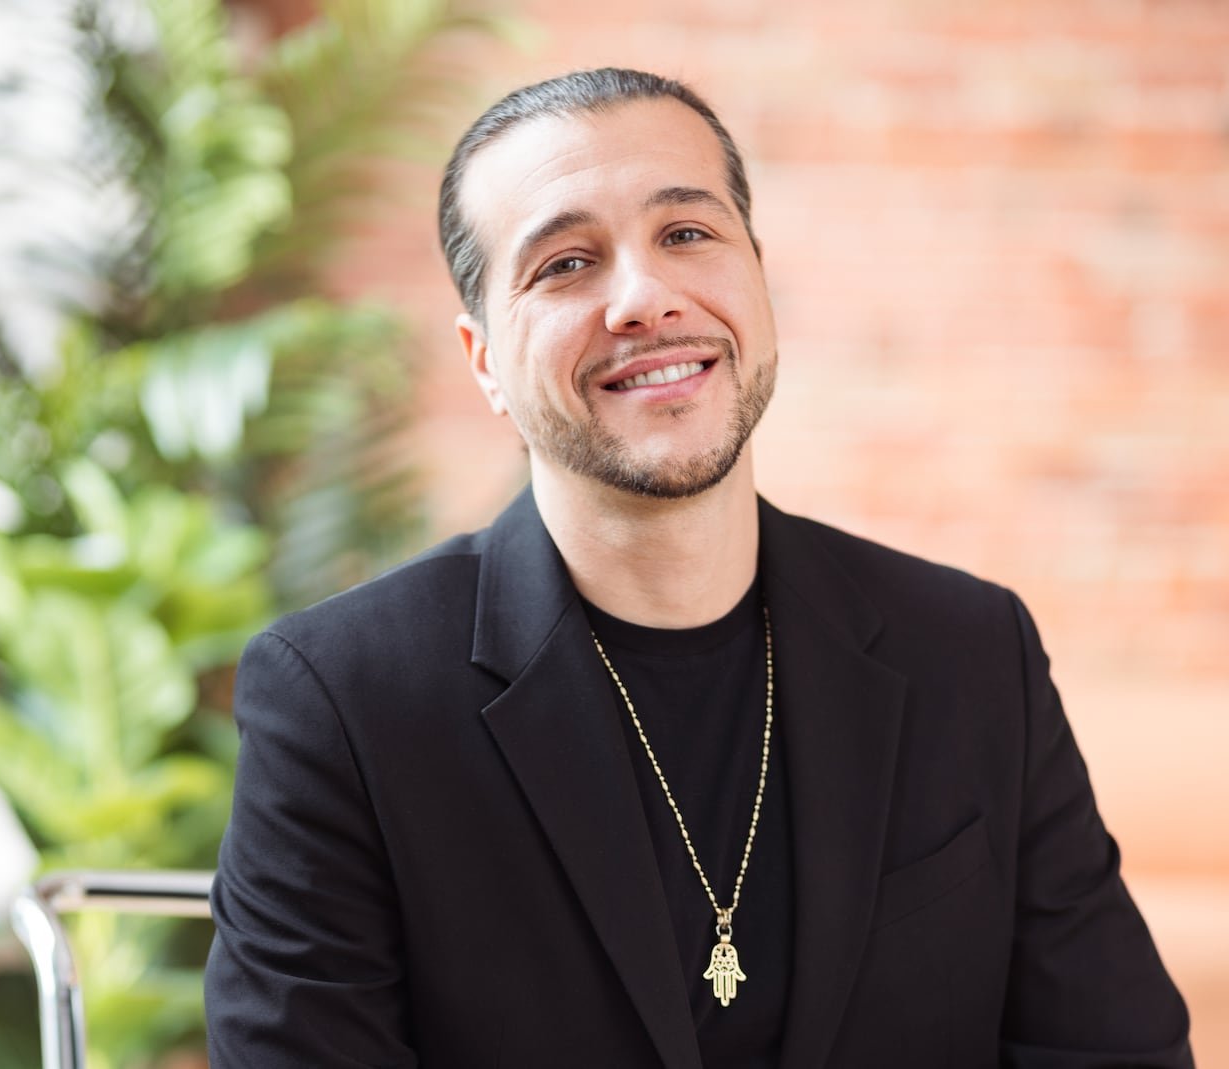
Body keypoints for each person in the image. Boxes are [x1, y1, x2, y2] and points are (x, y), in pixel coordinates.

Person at [204, 68, 1193, 1068]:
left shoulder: (971, 650)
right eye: (564, 263)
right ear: (483, 360)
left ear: (756, 281)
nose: (644, 298)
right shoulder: (342, 699)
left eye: (685, 234)